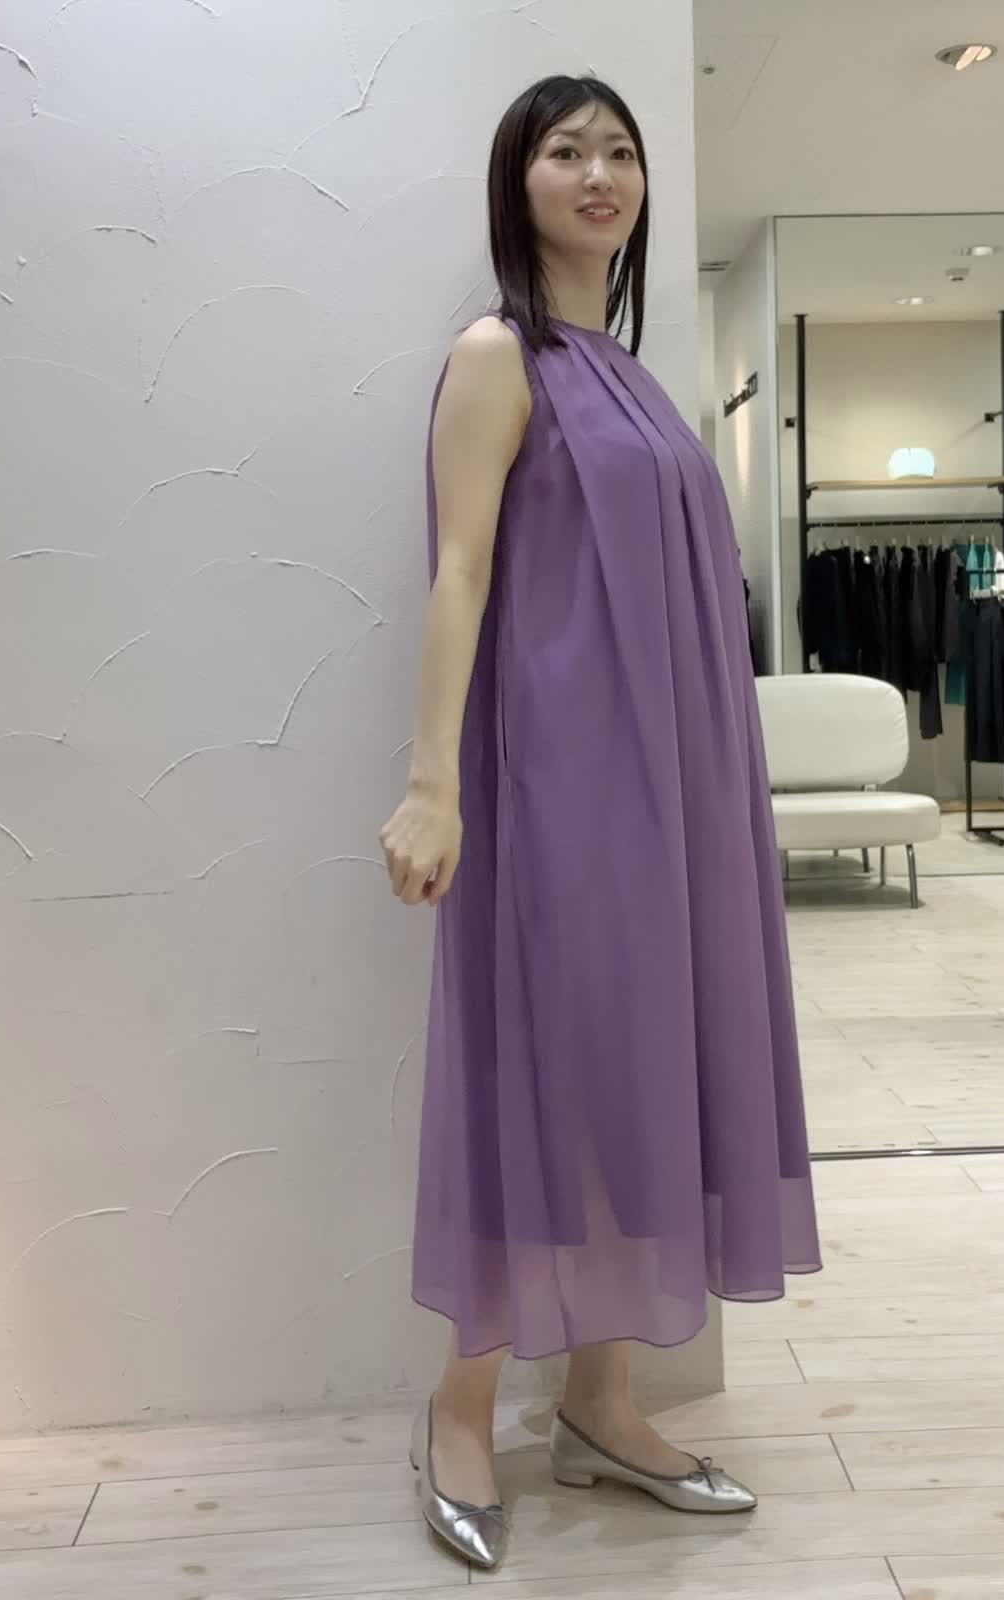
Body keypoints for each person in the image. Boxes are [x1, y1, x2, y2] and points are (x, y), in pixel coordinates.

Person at [379, 72, 821, 1572]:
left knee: (645, 1066)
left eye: (620, 151)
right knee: (547, 1068)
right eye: (565, 150)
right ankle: (459, 1409)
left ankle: (602, 1404)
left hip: (674, 786)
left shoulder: (634, 376)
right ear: (519, 182)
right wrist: (432, 780)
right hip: (556, 782)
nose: (599, 173)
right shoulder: (496, 355)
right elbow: (459, 573)